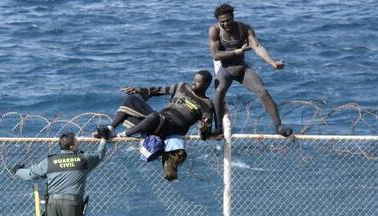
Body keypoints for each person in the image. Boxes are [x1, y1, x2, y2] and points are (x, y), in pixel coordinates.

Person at [95, 70, 214, 180]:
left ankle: (123, 134)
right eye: (194, 79)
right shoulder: (182, 87)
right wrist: (138, 90)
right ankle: (111, 129)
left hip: (171, 128)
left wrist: (204, 128)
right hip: (158, 121)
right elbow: (160, 90)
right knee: (132, 100)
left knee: (155, 117)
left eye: (197, 81)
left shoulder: (207, 105)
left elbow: (205, 136)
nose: (193, 82)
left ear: (206, 84)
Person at [209, 3, 292, 137]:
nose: (225, 24)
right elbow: (215, 55)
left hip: (242, 69)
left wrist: (273, 63)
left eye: (228, 20)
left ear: (233, 17)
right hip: (225, 70)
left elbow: (257, 46)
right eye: (222, 22)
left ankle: (279, 126)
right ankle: (219, 129)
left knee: (262, 91)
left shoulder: (245, 29)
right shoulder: (215, 30)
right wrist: (237, 51)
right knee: (218, 93)